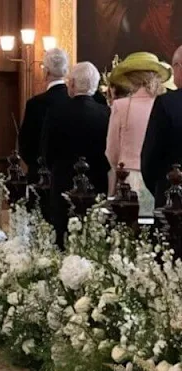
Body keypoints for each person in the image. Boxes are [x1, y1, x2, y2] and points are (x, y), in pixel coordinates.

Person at [43, 62, 111, 248]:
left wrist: (57, 169)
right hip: (96, 182)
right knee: (95, 234)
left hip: (64, 182)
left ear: (71, 84)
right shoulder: (106, 113)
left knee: (63, 236)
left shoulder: (56, 113)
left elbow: (47, 151)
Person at [105, 52, 169, 216]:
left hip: (128, 178)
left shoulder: (120, 106)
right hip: (159, 180)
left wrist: (118, 167)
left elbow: (111, 150)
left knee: (129, 228)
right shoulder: (164, 106)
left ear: (130, 79)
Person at [18, 48, 70, 183]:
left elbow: (25, 145)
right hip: (70, 175)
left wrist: (36, 164)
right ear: (66, 71)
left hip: (40, 175)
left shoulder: (35, 104)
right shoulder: (73, 100)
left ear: (45, 72)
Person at [142, 45, 182, 207]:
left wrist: (159, 187)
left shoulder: (166, 103)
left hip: (172, 196)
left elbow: (150, 156)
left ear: (178, 67)